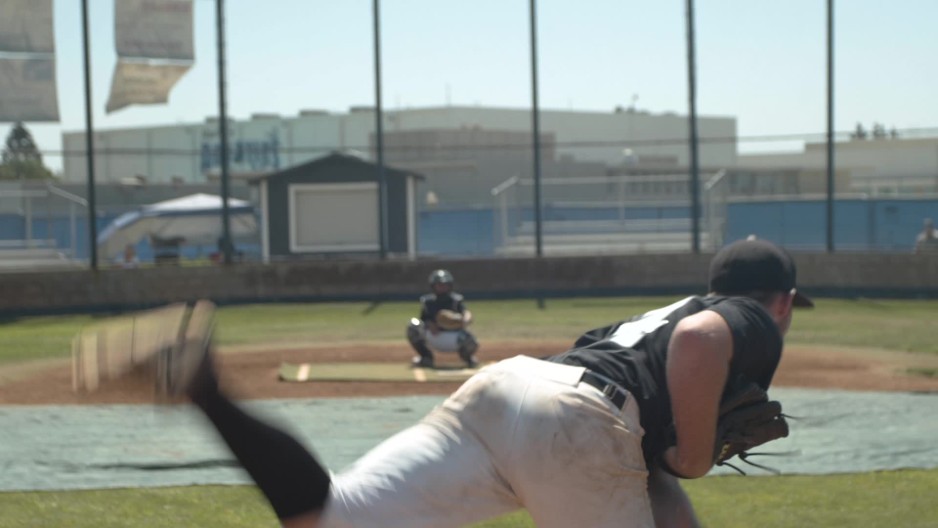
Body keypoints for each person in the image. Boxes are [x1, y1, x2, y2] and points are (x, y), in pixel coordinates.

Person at [176, 237, 811, 528]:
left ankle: (205, 389)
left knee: (331, 519)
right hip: (580, 420)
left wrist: (674, 471)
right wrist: (694, 456)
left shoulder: (657, 322)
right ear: (782, 300)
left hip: (512, 388)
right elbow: (703, 342)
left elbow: (651, 469)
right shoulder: (752, 321)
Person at [406, 269, 479, 368]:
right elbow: (423, 320)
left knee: (471, 341)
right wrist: (429, 324)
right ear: (433, 286)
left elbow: (466, 313)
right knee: (413, 325)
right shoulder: (428, 302)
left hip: (455, 337)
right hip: (434, 336)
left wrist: (464, 320)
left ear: (450, 285)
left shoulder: (456, 300)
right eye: (439, 285)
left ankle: (468, 358)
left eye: (445, 285)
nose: (442, 287)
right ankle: (426, 358)